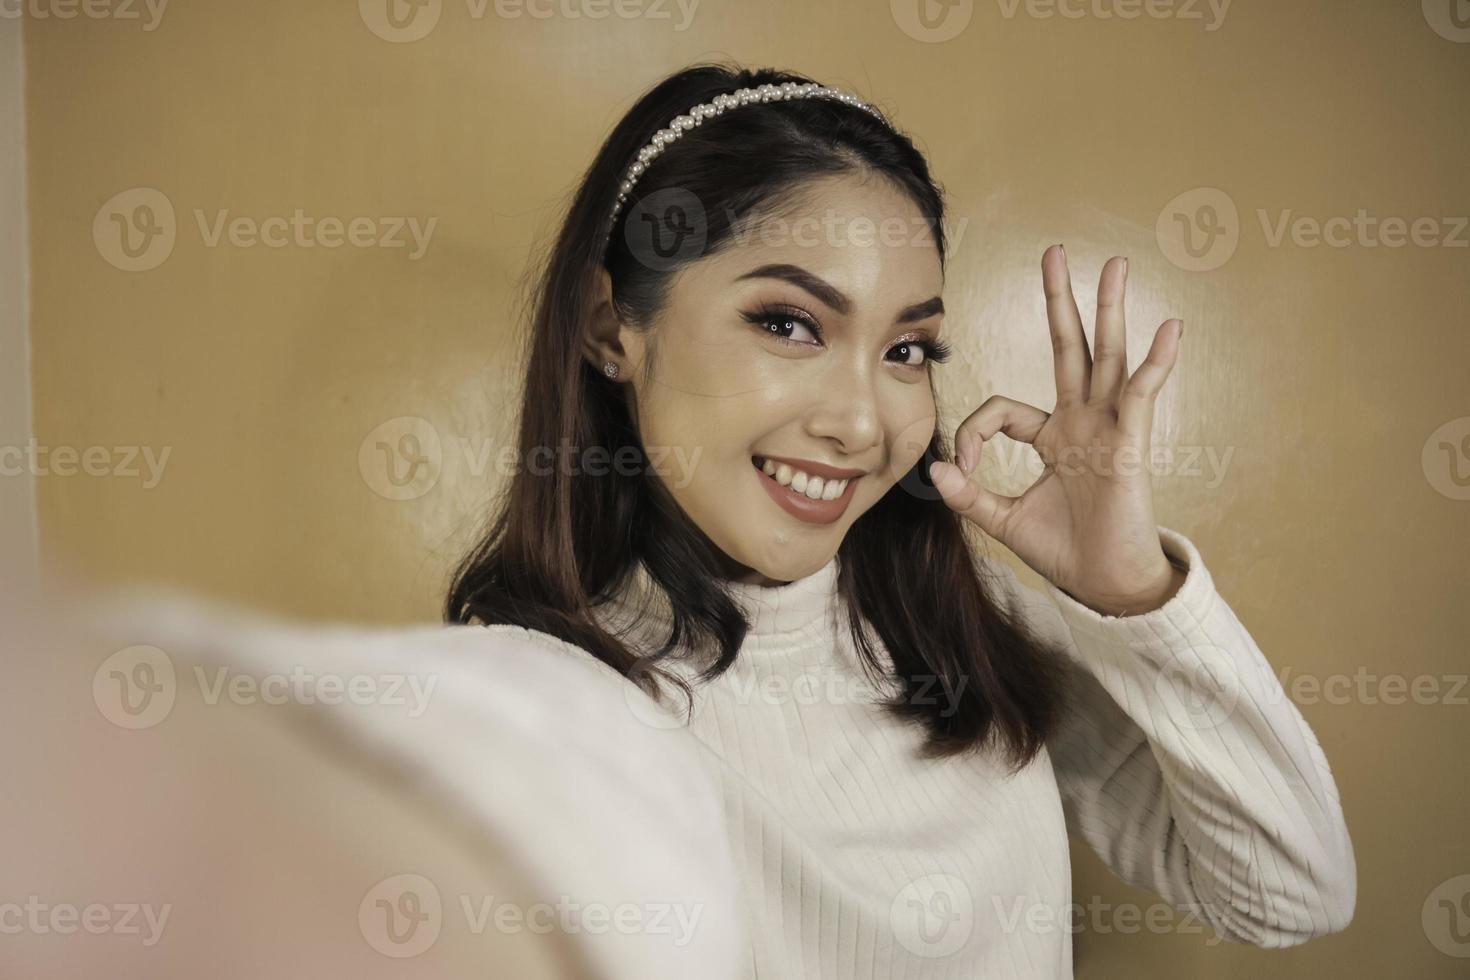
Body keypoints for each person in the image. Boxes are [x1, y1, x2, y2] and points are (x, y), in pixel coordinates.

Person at [443, 63, 1357, 977]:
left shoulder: (961, 623)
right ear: (612, 330)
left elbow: (1287, 892)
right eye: (790, 324)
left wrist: (1134, 594)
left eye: (908, 349)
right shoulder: (522, 712)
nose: (862, 422)